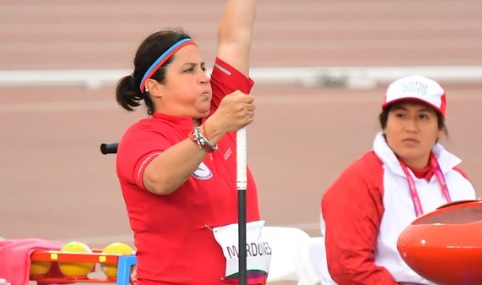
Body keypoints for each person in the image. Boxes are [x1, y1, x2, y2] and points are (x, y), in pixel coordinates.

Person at [114, 0, 270, 284]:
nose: (204, 78)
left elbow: (236, 35)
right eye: (188, 70)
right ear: (154, 86)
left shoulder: (219, 112)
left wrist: (217, 124)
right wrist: (214, 129)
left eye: (203, 67)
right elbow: (159, 180)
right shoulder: (143, 136)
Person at [318, 75, 477, 285]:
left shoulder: (458, 182)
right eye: (401, 115)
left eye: (423, 117)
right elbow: (349, 268)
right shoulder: (359, 181)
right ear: (385, 123)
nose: (411, 127)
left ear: (439, 127)